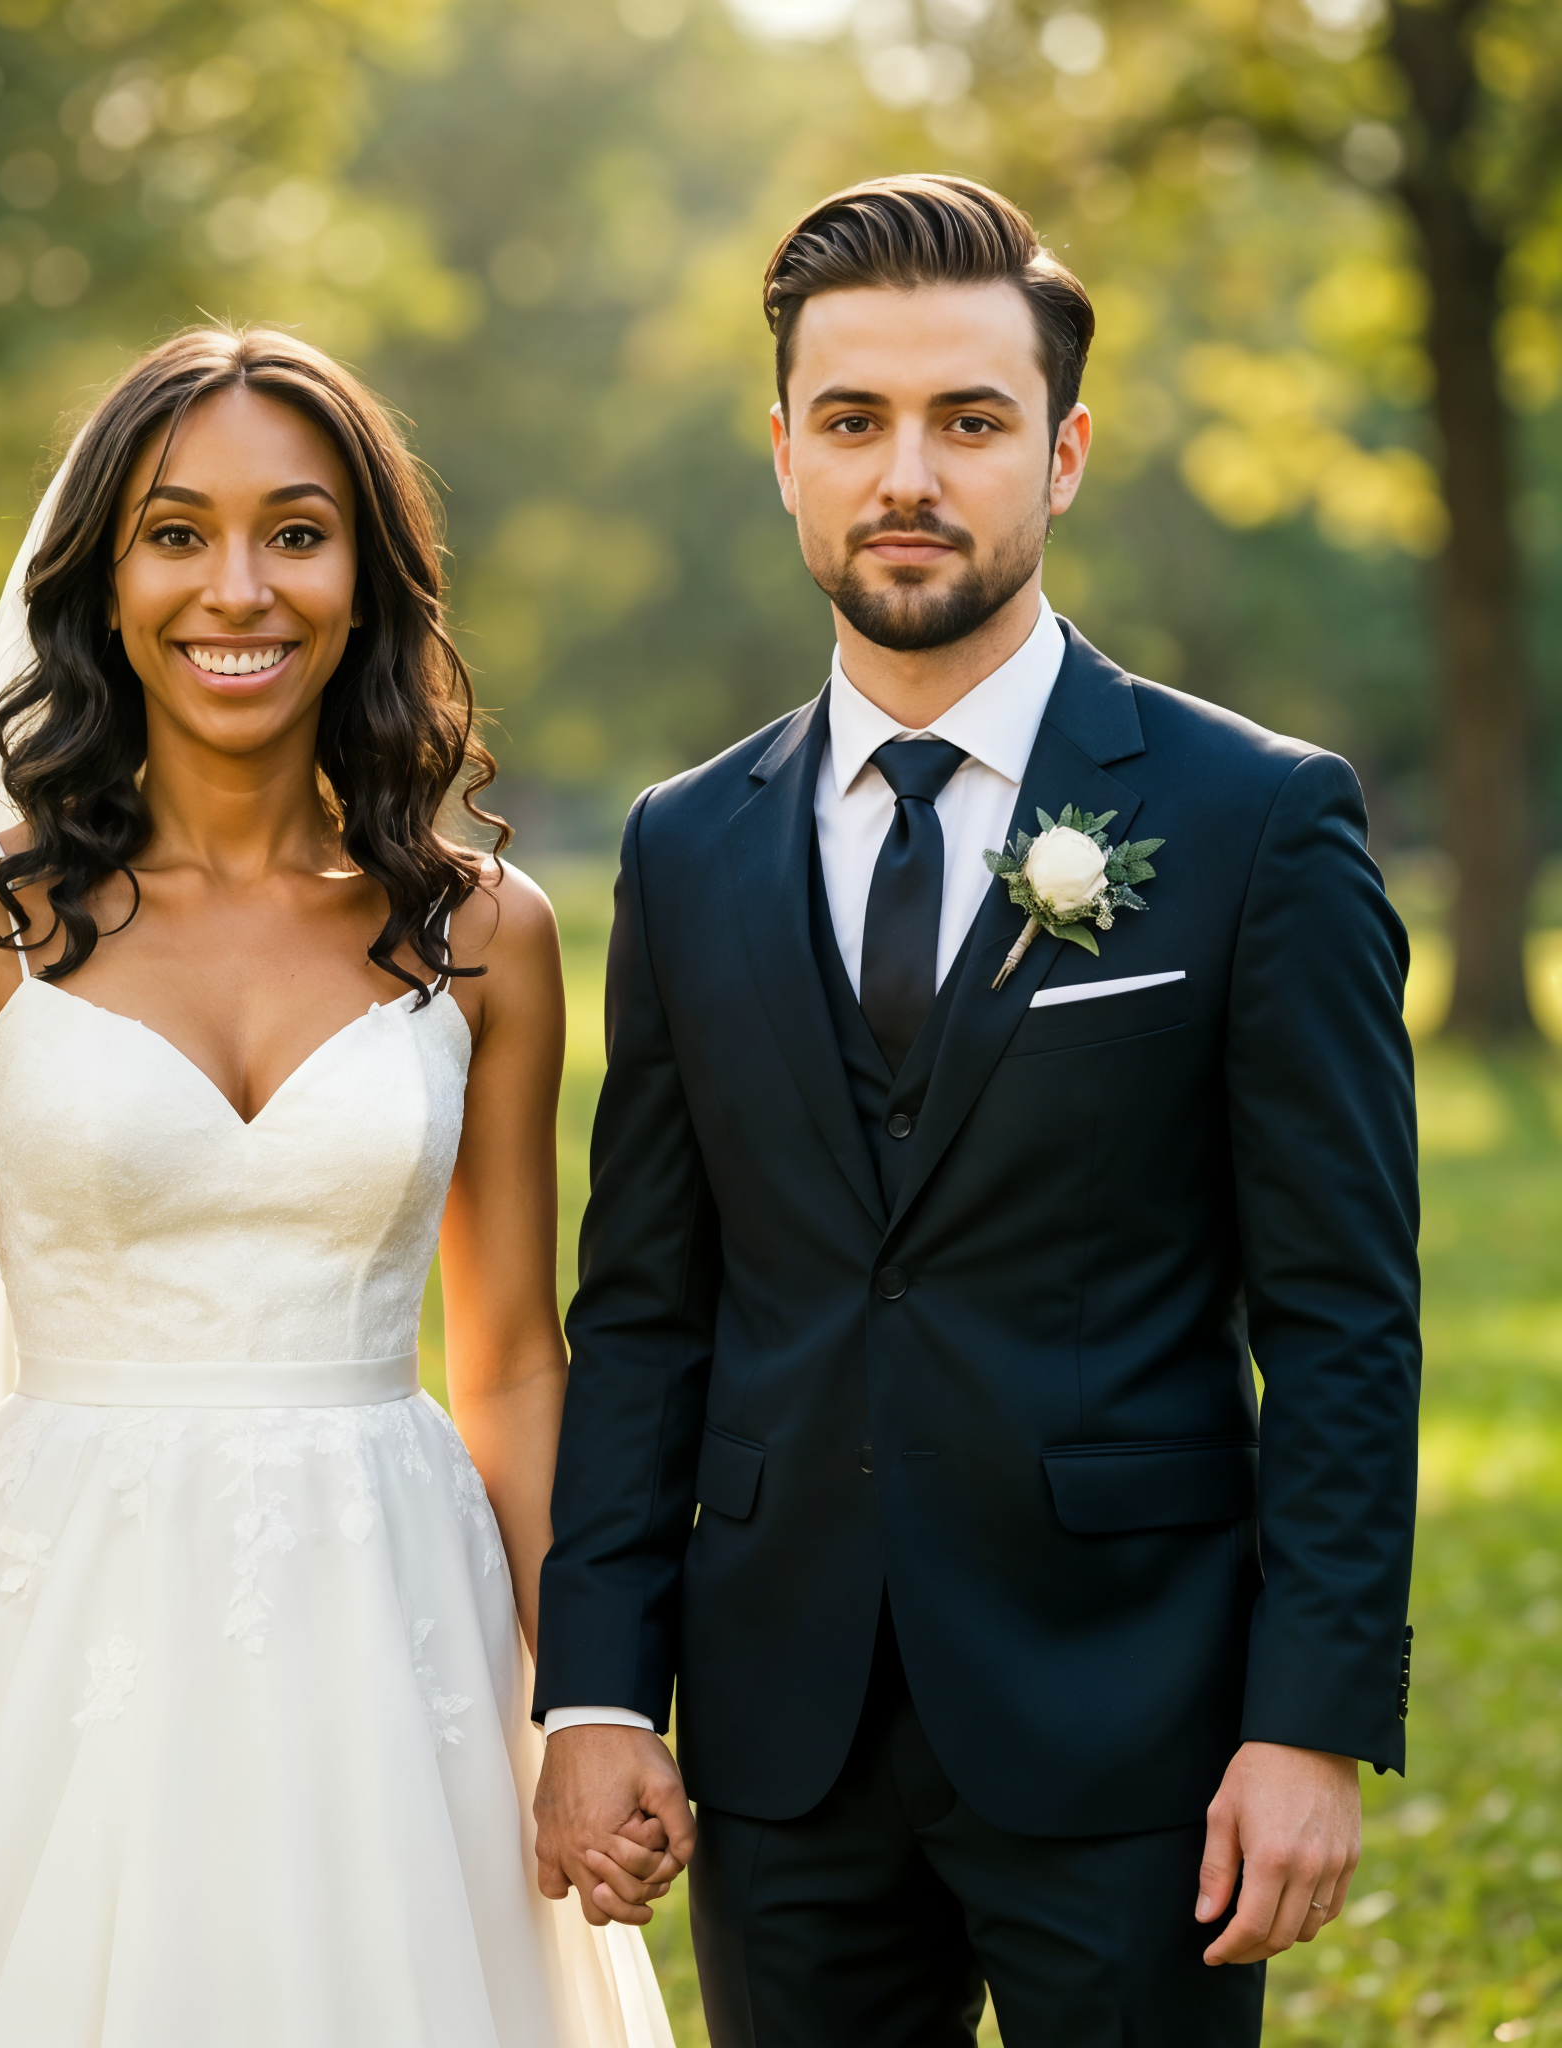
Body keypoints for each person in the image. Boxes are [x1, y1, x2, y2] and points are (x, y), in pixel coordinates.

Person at [0, 326, 673, 2048]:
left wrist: (589, 1706)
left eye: (298, 531)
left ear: (368, 580)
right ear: (105, 582)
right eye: (177, 533)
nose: (237, 588)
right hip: (63, 1609)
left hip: (392, 1617)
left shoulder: (491, 936)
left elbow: (512, 1364)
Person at [530, 174, 1421, 2045]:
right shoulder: (687, 848)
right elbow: (642, 1308)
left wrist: (1311, 1716)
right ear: (782, 453)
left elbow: (1343, 1315)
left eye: (971, 419)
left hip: (1140, 1728)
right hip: (780, 1729)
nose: (906, 473)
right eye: (852, 421)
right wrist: (600, 1692)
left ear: (1065, 453)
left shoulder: (1260, 822)